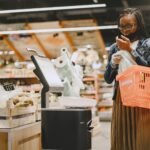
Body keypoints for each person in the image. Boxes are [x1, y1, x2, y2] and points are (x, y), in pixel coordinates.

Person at [104, 8, 150, 150]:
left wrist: (130, 50)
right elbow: (108, 79)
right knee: (121, 135)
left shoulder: (147, 44)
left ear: (138, 25)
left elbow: (148, 67)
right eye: (122, 26)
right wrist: (112, 64)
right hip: (121, 96)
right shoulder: (114, 47)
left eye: (129, 25)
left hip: (142, 95)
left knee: (141, 135)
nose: (125, 30)